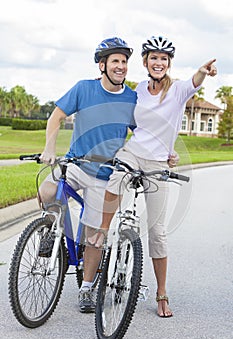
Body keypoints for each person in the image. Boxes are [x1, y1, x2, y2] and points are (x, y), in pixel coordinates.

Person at [92, 35, 217, 317]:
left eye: (164, 58)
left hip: (159, 162)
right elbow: (137, 125)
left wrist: (204, 71)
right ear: (146, 62)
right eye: (154, 58)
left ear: (168, 63)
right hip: (134, 151)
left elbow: (196, 80)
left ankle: (162, 293)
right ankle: (102, 229)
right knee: (115, 178)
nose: (158, 62)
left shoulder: (179, 90)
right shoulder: (139, 89)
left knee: (157, 232)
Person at [38, 37, 137, 313]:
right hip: (75, 163)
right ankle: (51, 226)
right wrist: (49, 148)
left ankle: (87, 288)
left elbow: (143, 133)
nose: (121, 66)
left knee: (94, 235)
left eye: (124, 62)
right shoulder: (84, 88)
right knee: (46, 191)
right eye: (116, 61)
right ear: (102, 65)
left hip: (104, 175)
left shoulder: (132, 98)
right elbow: (56, 116)